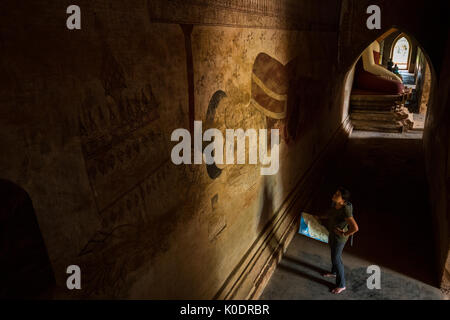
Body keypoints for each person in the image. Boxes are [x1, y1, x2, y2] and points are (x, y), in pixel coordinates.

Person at [315, 187, 359, 294]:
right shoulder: (335, 204)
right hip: (333, 234)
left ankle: (341, 285)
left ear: (343, 200)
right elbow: (330, 214)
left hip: (340, 238)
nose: (334, 195)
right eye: (335, 193)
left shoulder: (345, 210)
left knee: (336, 258)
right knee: (333, 254)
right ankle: (334, 272)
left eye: (337, 194)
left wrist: (343, 233)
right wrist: (318, 217)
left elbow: (355, 228)